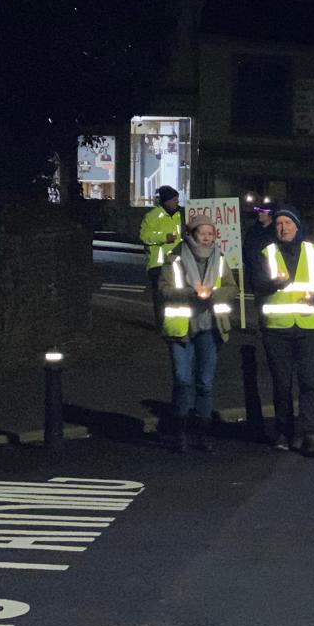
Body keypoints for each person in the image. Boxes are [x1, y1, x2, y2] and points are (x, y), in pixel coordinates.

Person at [252, 204, 314, 458]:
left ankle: (310, 434)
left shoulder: (313, 251)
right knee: (282, 384)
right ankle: (284, 431)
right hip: (277, 328)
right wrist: (273, 283)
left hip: (308, 325)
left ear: (297, 226)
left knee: (310, 382)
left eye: (287, 223)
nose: (283, 228)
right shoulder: (267, 252)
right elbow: (257, 286)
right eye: (279, 224)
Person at [158, 212, 237, 453]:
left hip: (210, 328)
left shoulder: (220, 259)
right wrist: (192, 293)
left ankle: (203, 434)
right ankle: (180, 433)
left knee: (205, 383)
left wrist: (213, 294)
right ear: (192, 234)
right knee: (183, 381)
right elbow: (163, 289)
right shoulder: (175, 259)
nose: (206, 237)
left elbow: (232, 288)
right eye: (202, 233)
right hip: (182, 327)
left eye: (210, 233)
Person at [140, 185, 183, 326]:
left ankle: (172, 323)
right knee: (160, 297)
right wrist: (164, 237)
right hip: (158, 264)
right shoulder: (152, 216)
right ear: (166, 201)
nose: (177, 202)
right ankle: (161, 325)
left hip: (176, 262)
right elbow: (144, 236)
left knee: (176, 295)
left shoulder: (178, 215)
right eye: (174, 199)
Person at [243, 202, 275, 300]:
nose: (259, 213)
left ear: (270, 213)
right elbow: (246, 251)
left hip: (271, 277)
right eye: (258, 211)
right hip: (254, 276)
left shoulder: (276, 231)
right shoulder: (252, 231)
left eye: (262, 211)